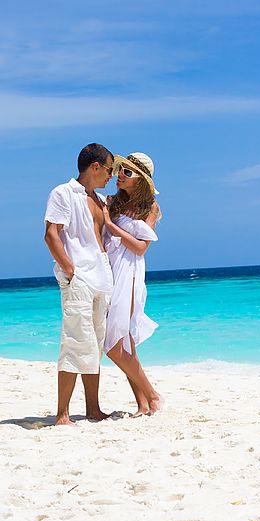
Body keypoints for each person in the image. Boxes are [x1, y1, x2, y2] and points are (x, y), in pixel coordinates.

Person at [44, 143, 115, 426]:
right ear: (95, 167)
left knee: (95, 344)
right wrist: (70, 270)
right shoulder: (63, 193)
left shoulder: (99, 201)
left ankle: (93, 408)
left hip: (102, 276)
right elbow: (51, 235)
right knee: (74, 341)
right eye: (109, 170)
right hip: (80, 277)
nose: (111, 176)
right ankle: (62, 413)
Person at [102, 152, 163, 416]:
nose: (119, 176)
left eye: (127, 173)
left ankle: (153, 395)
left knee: (115, 346)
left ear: (140, 181)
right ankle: (142, 404)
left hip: (130, 273)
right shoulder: (112, 202)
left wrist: (109, 225)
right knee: (125, 343)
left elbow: (140, 248)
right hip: (109, 271)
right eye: (119, 170)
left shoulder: (150, 209)